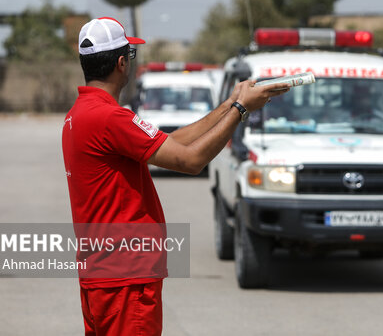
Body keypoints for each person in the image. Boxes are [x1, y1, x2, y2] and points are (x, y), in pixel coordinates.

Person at [61, 17, 288, 336]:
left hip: (103, 275)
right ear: (122, 63)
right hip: (127, 278)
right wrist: (241, 110)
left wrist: (228, 104)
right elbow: (192, 160)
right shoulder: (111, 118)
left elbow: (175, 141)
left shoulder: (80, 114)